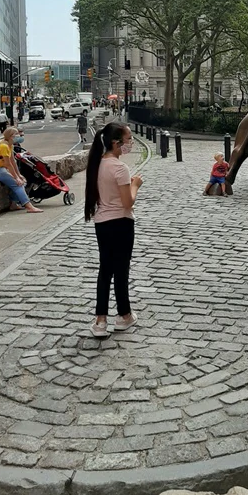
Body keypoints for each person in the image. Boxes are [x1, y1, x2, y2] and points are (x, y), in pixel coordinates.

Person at [85, 122, 142, 338]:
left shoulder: (97, 164)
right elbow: (128, 202)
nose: (131, 143)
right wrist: (135, 185)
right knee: (121, 270)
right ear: (116, 143)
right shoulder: (120, 168)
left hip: (102, 222)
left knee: (105, 270)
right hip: (122, 222)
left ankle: (100, 321)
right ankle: (124, 315)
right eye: (128, 139)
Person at [0, 126, 43, 213]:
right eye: (16, 134)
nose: (19, 136)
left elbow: (13, 162)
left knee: (23, 182)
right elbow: (8, 164)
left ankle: (14, 204)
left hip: (2, 169)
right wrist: (16, 178)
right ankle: (29, 207)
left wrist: (19, 175)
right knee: (18, 185)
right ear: (10, 136)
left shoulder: (10, 145)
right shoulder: (4, 146)